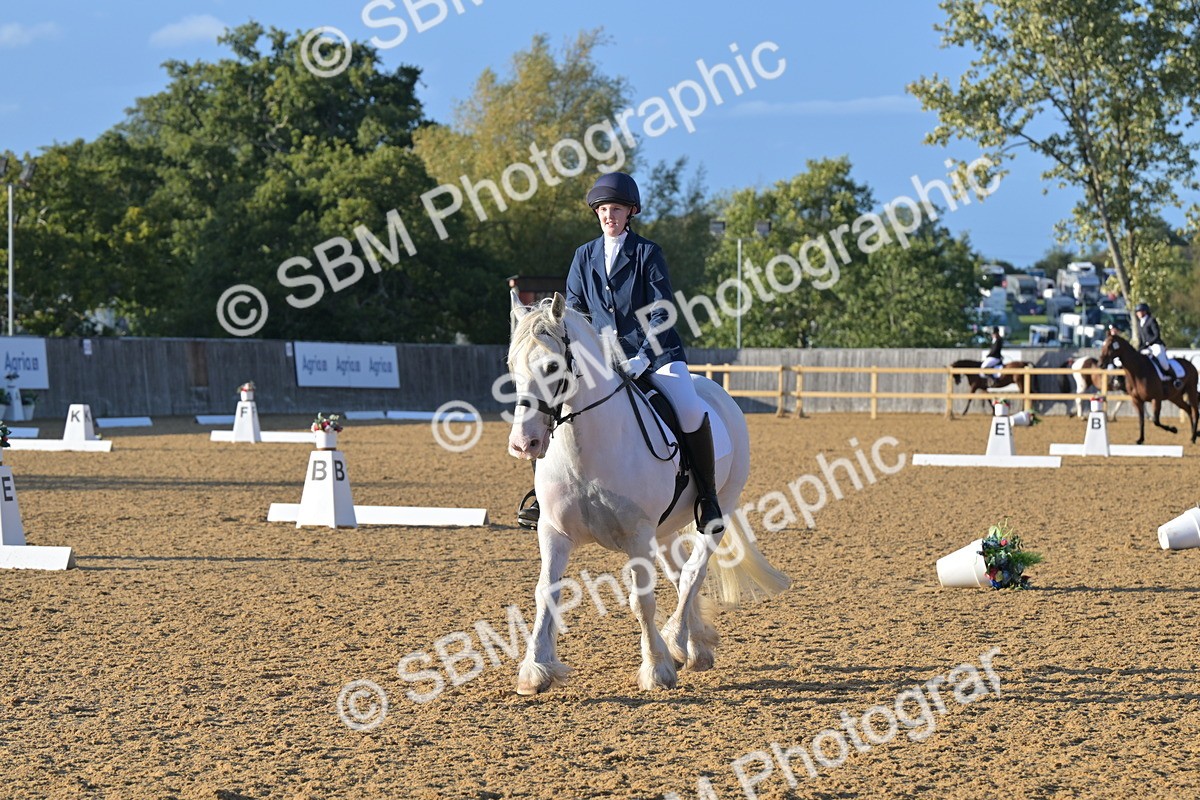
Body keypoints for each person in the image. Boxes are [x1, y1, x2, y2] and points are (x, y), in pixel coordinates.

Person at [517, 172, 725, 536]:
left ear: (630, 212)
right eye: (602, 209)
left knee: (690, 409)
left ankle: (707, 497)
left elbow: (661, 310)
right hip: (601, 358)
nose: (608, 215)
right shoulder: (584, 256)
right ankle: (542, 498)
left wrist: (644, 356)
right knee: (552, 405)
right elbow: (575, 311)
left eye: (615, 209)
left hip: (657, 353)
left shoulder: (647, 253)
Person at [1134, 302, 1180, 388]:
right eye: (1137, 312)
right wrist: (1138, 349)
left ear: (1145, 312)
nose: (1139, 313)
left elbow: (1156, 335)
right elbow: (1140, 339)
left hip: (1156, 345)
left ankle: (1175, 379)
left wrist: (1148, 343)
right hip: (1146, 347)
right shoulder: (1139, 323)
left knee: (1163, 363)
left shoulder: (1151, 320)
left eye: (1140, 311)